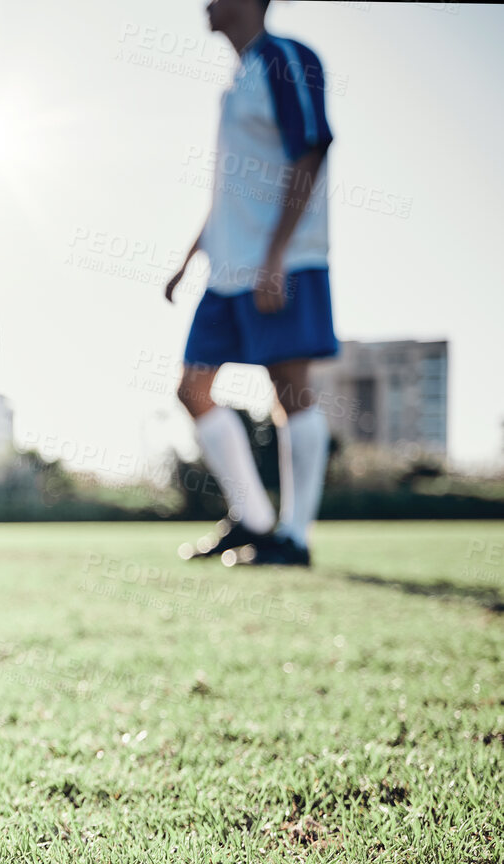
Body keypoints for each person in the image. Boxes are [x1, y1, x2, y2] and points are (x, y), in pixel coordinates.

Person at [166, 0, 336, 567]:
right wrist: (191, 255)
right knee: (193, 388)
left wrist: (276, 255)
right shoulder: (236, 83)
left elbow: (312, 148)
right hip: (227, 268)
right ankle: (256, 521)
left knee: (288, 389)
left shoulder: (286, 59)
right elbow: (230, 190)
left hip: (281, 260)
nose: (205, 3)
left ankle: (295, 537)